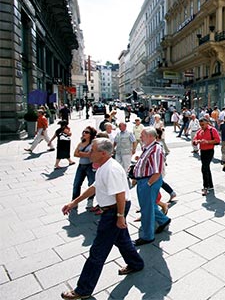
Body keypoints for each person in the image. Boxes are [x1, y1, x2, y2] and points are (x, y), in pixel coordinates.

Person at [60, 138, 144, 300]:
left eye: (92, 150)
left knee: (97, 252)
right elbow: (94, 187)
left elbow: (120, 195)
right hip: (113, 209)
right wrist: (74, 202)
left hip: (114, 211)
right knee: (122, 240)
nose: (89, 153)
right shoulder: (103, 167)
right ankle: (136, 263)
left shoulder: (111, 169)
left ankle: (83, 289)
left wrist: (120, 217)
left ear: (103, 153)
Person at [132, 127, 171, 246]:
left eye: (143, 135)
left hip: (149, 181)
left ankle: (148, 236)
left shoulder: (156, 149)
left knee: (146, 210)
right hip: (144, 181)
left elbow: (157, 171)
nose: (140, 137)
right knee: (150, 206)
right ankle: (164, 220)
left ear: (151, 136)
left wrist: (148, 184)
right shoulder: (148, 147)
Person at [192, 118, 221, 196]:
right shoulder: (199, 131)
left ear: (207, 123)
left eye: (203, 125)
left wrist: (207, 142)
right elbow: (194, 140)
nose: (202, 126)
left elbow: (218, 140)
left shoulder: (212, 130)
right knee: (206, 168)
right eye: (200, 125)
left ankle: (205, 186)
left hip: (209, 151)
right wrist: (195, 142)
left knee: (204, 168)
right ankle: (210, 185)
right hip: (202, 151)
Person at [72, 126, 98, 210]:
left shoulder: (93, 143)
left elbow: (91, 155)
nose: (84, 133)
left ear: (91, 134)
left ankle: (90, 201)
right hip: (81, 166)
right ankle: (74, 202)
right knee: (76, 184)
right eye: (84, 131)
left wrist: (81, 153)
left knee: (91, 184)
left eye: (87, 132)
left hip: (90, 166)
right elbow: (75, 154)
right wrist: (85, 154)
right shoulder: (81, 143)